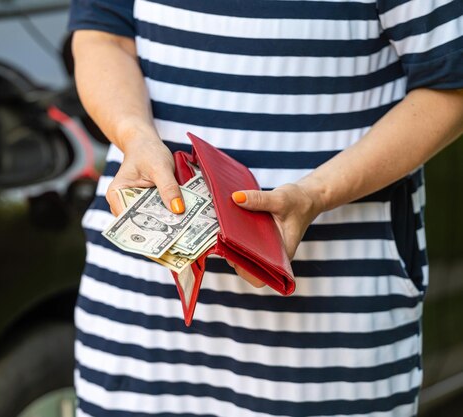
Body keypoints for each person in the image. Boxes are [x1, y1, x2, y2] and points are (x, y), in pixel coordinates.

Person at [68, 0, 463, 415]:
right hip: (139, 302)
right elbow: (102, 35)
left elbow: (451, 84)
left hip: (332, 311)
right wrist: (134, 135)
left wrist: (317, 194)